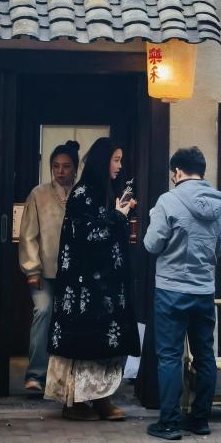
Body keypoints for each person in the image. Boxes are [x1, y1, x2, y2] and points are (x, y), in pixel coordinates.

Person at [45, 137, 140, 421]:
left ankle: (100, 399)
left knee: (102, 342)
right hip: (84, 285)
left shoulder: (104, 191)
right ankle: (75, 403)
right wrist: (118, 216)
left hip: (104, 284)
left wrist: (120, 213)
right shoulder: (83, 192)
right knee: (85, 343)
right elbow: (87, 236)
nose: (119, 166)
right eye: (115, 160)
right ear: (102, 161)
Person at [143, 146, 221, 440]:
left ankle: (169, 423)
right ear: (201, 171)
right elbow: (220, 249)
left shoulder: (168, 201)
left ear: (178, 171)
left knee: (169, 356)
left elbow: (151, 245)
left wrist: (154, 217)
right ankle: (200, 419)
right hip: (204, 289)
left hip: (171, 289)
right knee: (205, 356)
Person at [20, 140, 80, 393]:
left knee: (72, 320)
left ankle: (68, 377)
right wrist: (32, 269)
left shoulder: (83, 194)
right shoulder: (39, 194)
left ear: (75, 168)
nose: (60, 171)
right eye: (56, 166)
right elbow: (28, 234)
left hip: (74, 273)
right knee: (43, 312)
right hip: (43, 270)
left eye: (66, 166)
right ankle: (36, 374)